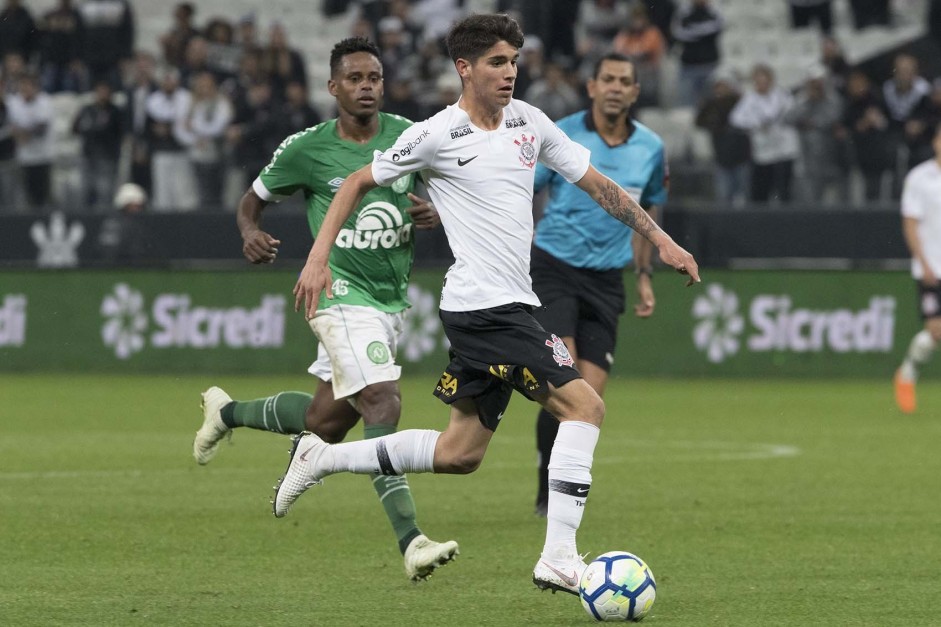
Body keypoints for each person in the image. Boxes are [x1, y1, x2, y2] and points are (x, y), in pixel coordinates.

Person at [282, 14, 700, 596]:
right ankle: (558, 557)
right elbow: (356, 182)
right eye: (498, 63)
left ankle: (320, 459)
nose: (510, 73)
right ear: (465, 68)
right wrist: (316, 258)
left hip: (510, 305)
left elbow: (598, 184)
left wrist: (660, 239)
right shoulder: (435, 134)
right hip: (484, 310)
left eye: (514, 61)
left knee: (460, 454)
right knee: (585, 408)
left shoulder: (530, 121)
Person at [191, 37, 459, 582]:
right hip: (334, 294)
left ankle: (226, 412)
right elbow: (252, 199)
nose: (367, 87)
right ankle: (411, 541)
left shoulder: (409, 135)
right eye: (355, 78)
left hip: (388, 299)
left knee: (324, 420)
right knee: (382, 400)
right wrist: (250, 230)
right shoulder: (306, 149)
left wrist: (429, 211)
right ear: (333, 86)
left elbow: (436, 191)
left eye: (375, 77)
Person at [529, 52, 668, 518]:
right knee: (566, 385)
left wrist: (644, 275)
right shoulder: (561, 133)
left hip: (607, 279)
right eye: (606, 78)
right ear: (591, 86)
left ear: (635, 91)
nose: (614, 87)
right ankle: (552, 489)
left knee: (590, 395)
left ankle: (561, 480)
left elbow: (646, 214)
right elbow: (524, 189)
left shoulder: (651, 147)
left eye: (624, 80)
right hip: (553, 267)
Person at [894, 122, 941, 414]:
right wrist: (922, 262)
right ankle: (907, 373)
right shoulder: (920, 178)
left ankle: (907, 373)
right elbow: (910, 223)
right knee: (936, 331)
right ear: (935, 141)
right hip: (931, 267)